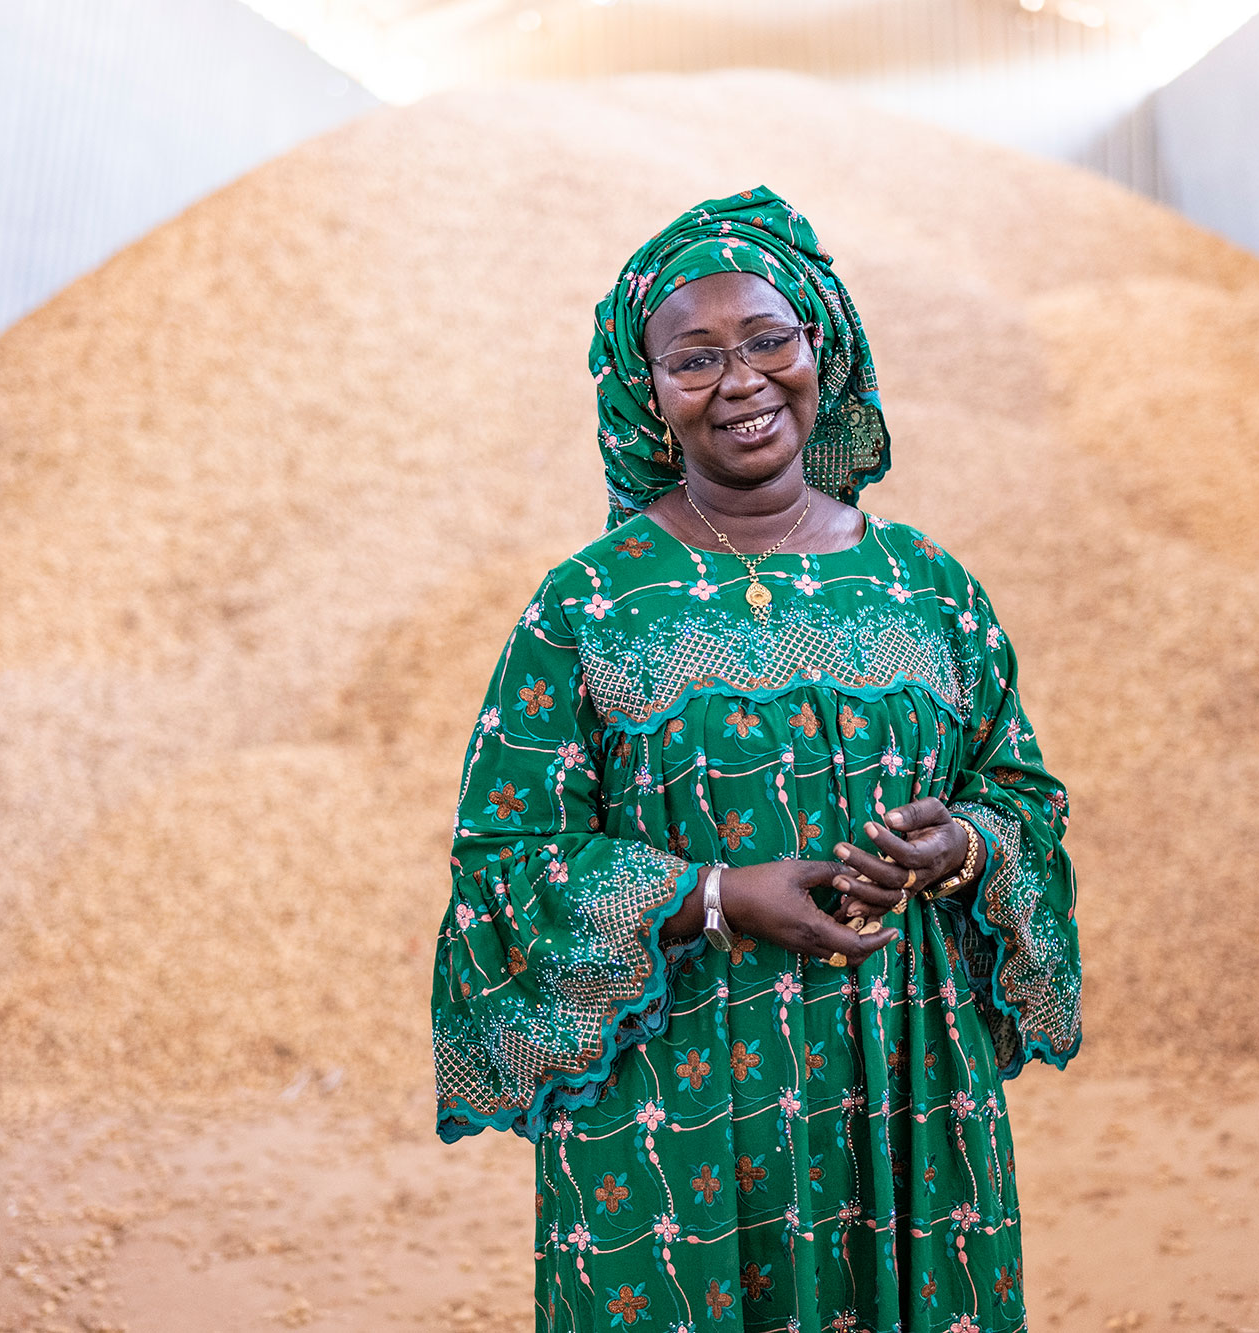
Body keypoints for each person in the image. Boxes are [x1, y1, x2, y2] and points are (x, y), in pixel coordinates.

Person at [431, 186, 1080, 1331]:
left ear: (821, 348)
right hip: (674, 1105)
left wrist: (961, 843)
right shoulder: (588, 602)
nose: (739, 380)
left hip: (902, 1081)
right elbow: (502, 863)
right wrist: (713, 895)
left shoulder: (928, 587)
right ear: (648, 393)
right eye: (693, 359)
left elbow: (1019, 793)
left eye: (768, 339)